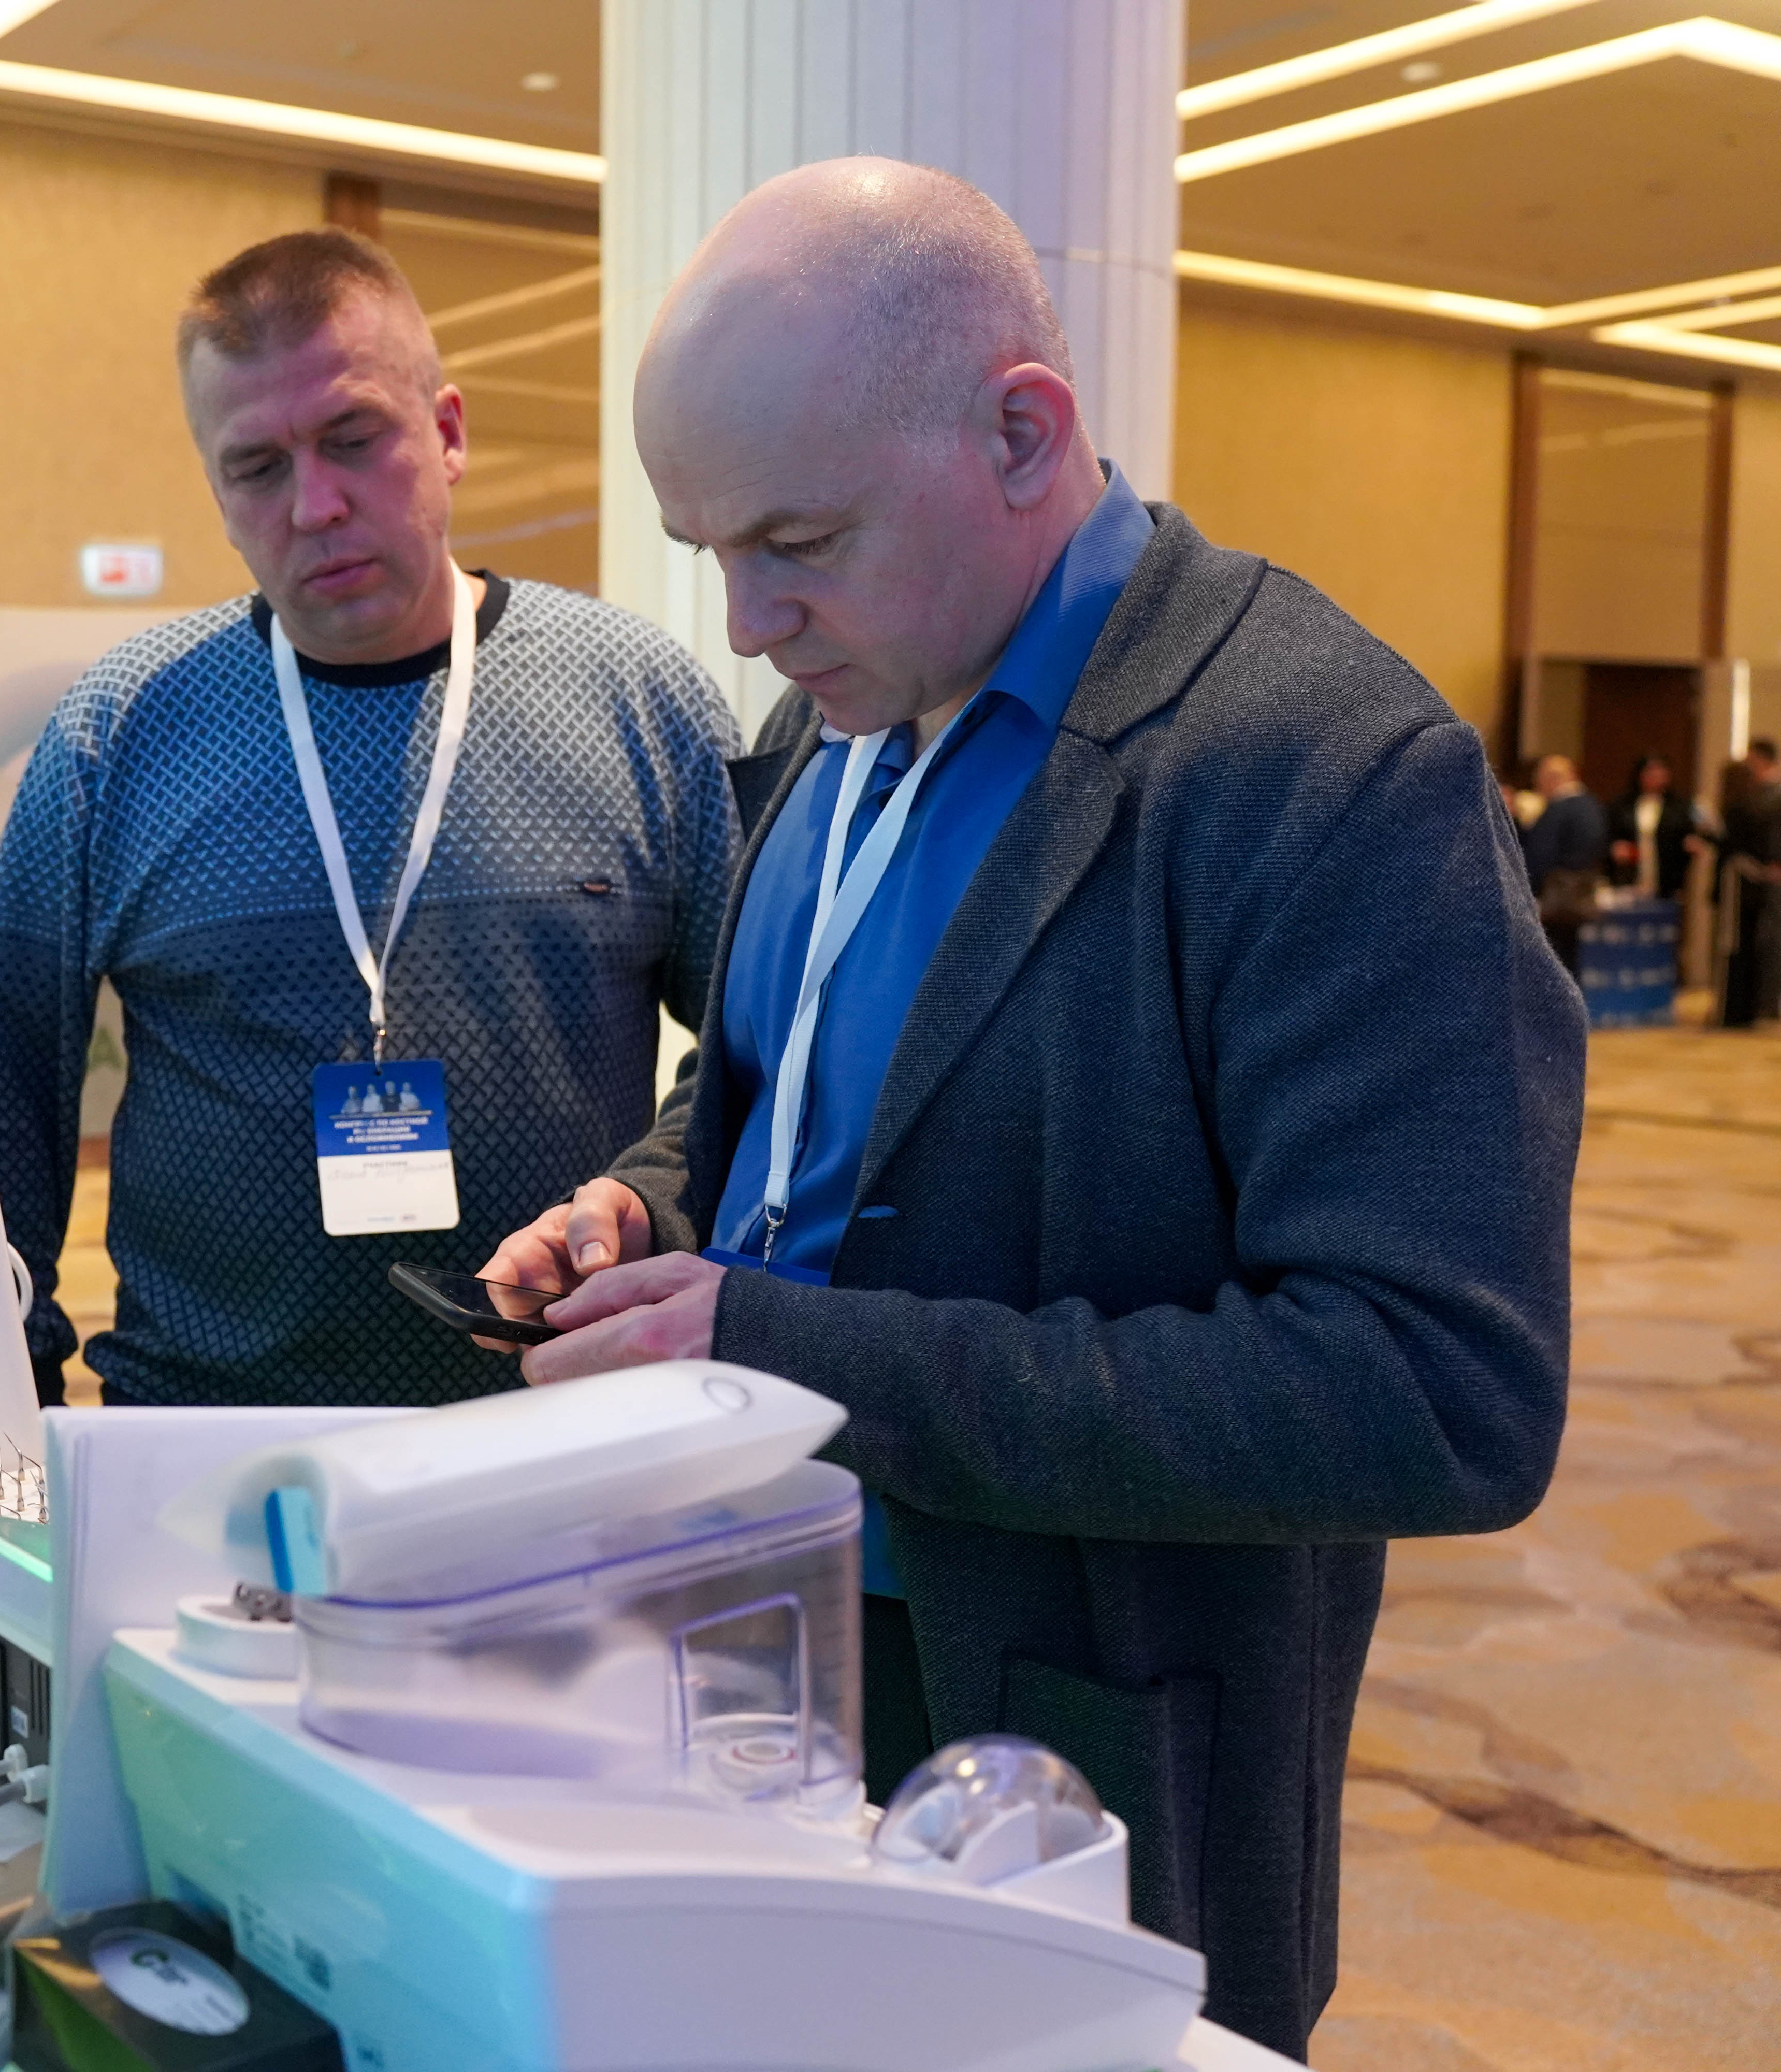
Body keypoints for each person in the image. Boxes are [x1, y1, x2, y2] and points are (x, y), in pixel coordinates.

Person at [479, 159, 1576, 2059]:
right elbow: (788, 1096)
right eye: (706, 548)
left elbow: (1436, 1390)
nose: (743, 619)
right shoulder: (826, 719)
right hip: (748, 1658)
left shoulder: (1323, 768)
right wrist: (652, 1203)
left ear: (1018, 430)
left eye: (795, 538)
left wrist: (792, 1351)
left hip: (1075, 1746)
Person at [0, 228, 743, 1409]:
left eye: (355, 440)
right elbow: (0, 1077)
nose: (315, 505)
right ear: (217, 492)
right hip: (204, 1426)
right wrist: (2, 1388)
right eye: (257, 467)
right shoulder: (123, 728)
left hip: (562, 1418)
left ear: (448, 433)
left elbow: (760, 1051)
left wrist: (653, 1214)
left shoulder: (637, 699)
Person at [1521, 751, 1608, 974]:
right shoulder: (1593, 805)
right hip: (1582, 895)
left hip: (1556, 899)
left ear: (1551, 779)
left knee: (1555, 961)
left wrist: (1530, 890)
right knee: (1570, 958)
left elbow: (1540, 855)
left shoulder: (1559, 810)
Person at [1721, 738, 1780, 1028]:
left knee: (1765, 942)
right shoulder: (1755, 798)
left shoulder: (1765, 797)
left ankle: (1762, 1006)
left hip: (1761, 882)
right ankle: (1759, 1006)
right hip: (1758, 880)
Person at [1609, 753, 1697, 902]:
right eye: (1650, 773)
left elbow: (1688, 834)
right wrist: (1616, 847)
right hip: (1630, 876)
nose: (1656, 778)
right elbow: (1611, 835)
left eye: (1661, 773)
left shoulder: (1680, 806)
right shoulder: (1622, 805)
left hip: (1667, 879)